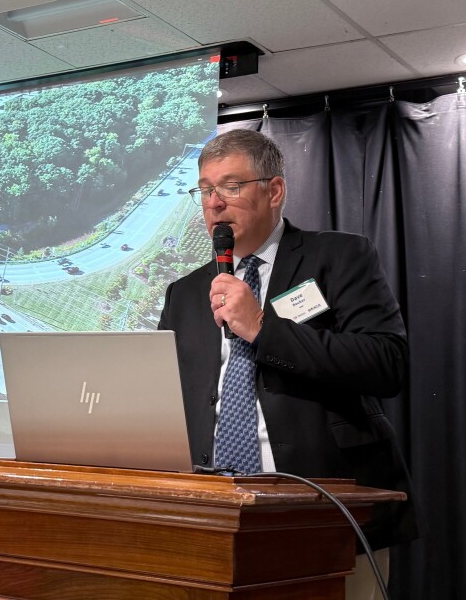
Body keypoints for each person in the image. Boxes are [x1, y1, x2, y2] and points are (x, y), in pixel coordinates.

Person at [157, 129, 417, 599]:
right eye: (205, 189)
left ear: (273, 190)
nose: (214, 203)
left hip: (327, 509)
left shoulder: (339, 256)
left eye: (231, 187)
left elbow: (387, 363)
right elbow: (164, 400)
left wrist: (262, 327)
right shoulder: (185, 292)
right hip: (213, 516)